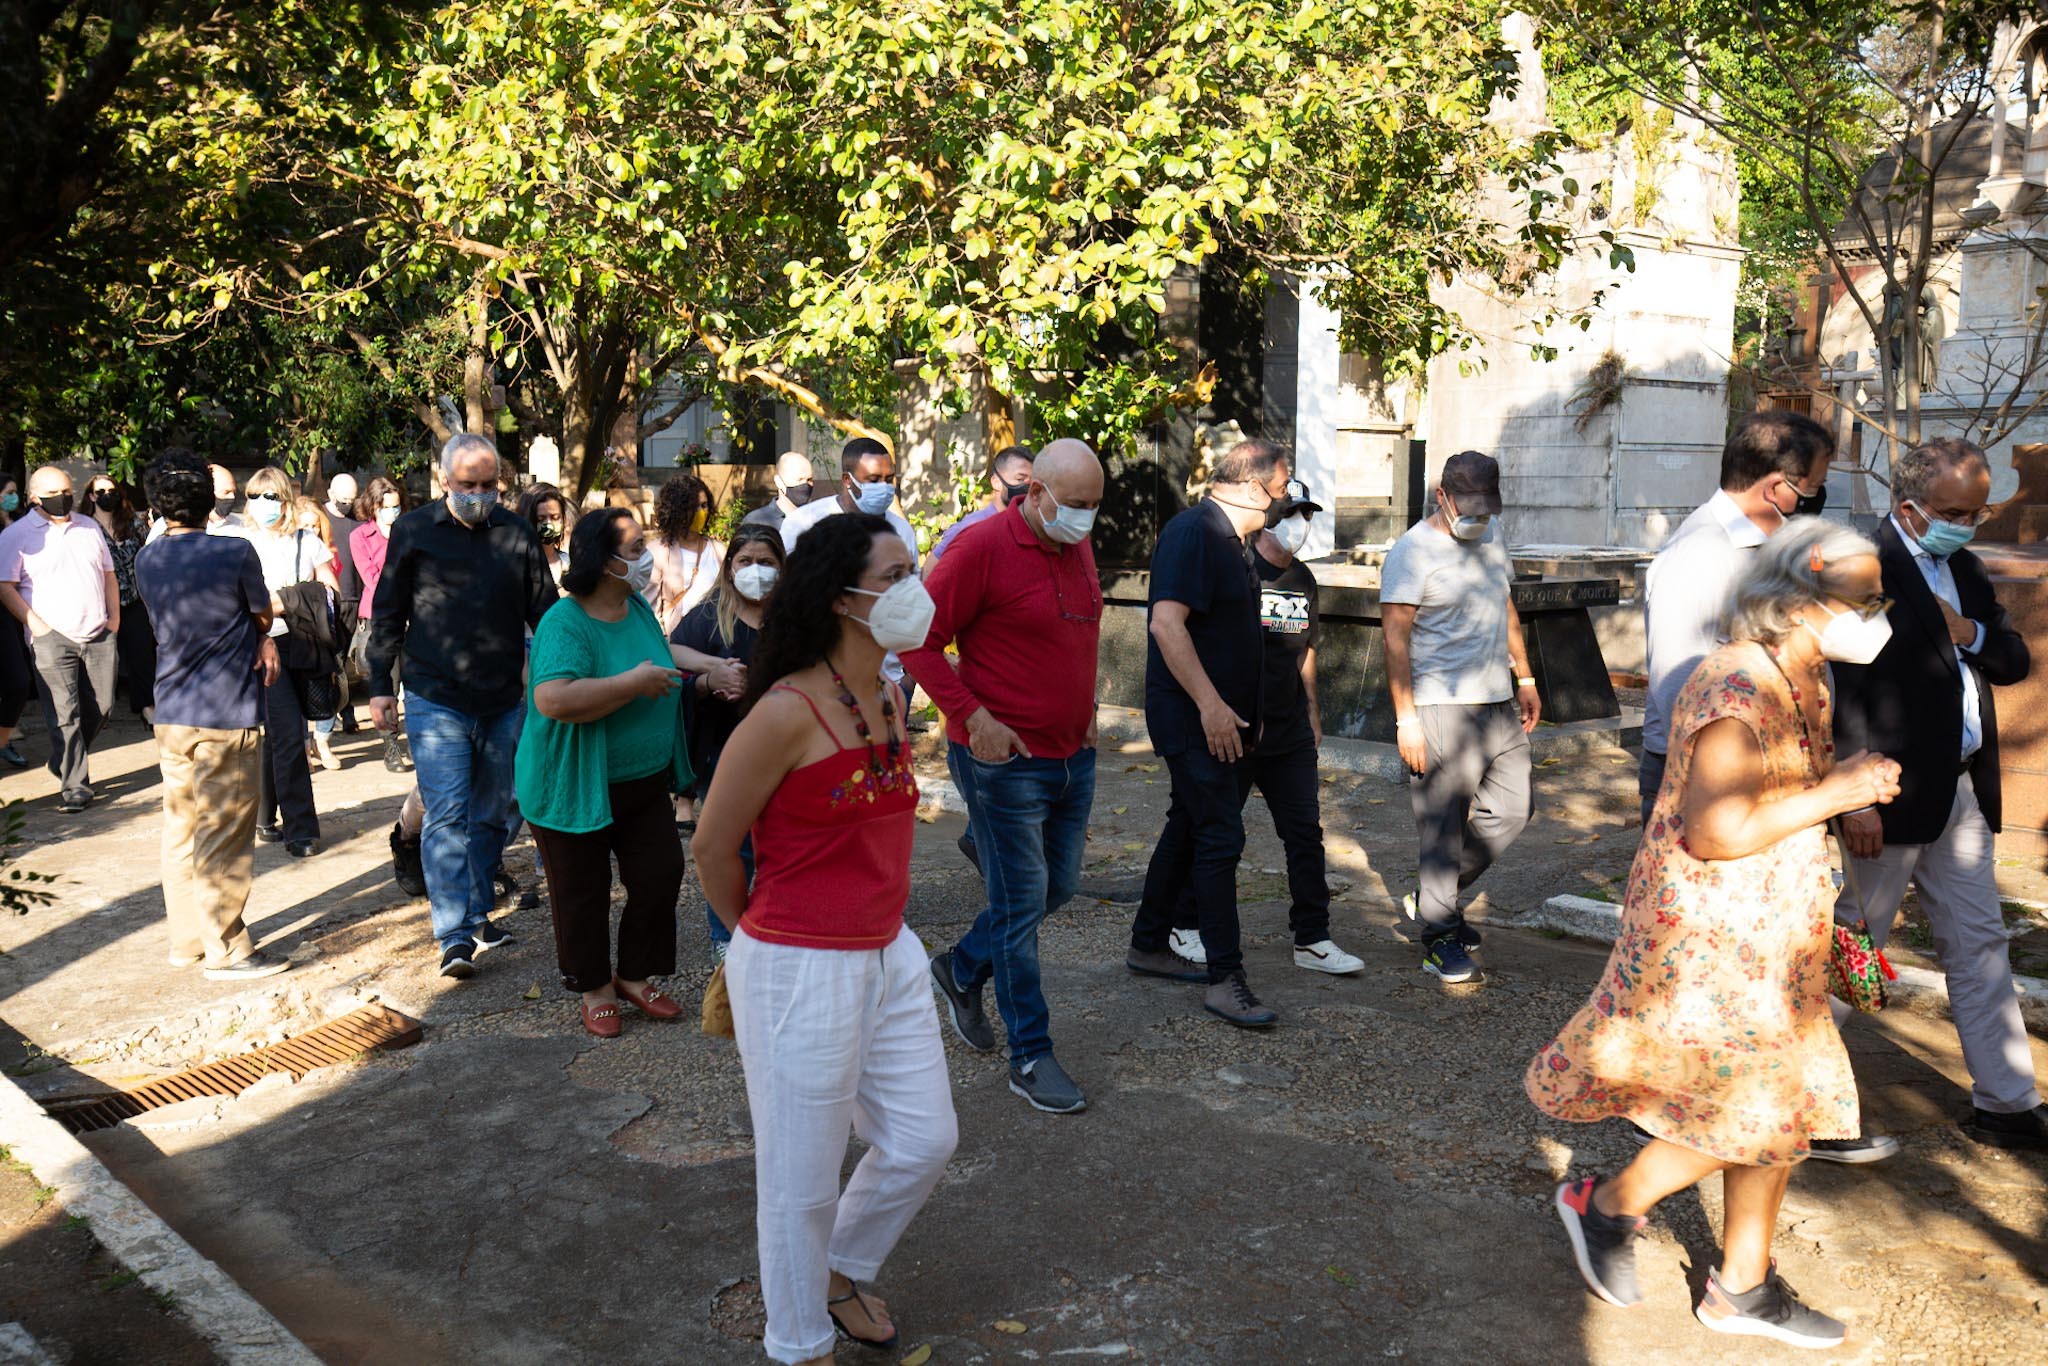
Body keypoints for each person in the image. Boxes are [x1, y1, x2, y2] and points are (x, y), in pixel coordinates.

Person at [1529, 520, 1902, 1348]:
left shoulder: (1804, 675)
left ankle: (1741, 1284)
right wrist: (1842, 793)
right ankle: (1612, 1207)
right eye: (1866, 597)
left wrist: (1836, 832)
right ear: (1802, 599)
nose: (1880, 612)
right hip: (1713, 940)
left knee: (1780, 1104)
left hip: (1771, 935)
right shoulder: (1739, 686)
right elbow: (1718, 830)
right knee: (1760, 1109)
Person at [693, 512, 955, 1366]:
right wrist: (759, 947)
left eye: (914, 570)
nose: (913, 589)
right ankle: (800, 1342)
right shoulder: (783, 711)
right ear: (841, 598)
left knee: (924, 1139)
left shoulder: (882, 693)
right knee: (800, 1185)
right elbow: (711, 847)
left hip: (890, 949)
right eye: (895, 576)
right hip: (800, 965)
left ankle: (840, 1269)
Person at [1832, 438, 2048, 1153]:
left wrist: (1973, 631)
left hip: (1960, 791)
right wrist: (1854, 798)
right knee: (1853, 948)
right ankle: (1802, 1098)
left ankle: (2007, 1104)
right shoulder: (1865, 567)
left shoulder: (1964, 565)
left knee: (1981, 944)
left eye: (1979, 508)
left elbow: (2012, 659)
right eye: (1956, 510)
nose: (1971, 521)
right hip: (1885, 795)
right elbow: (1845, 691)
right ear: (1910, 508)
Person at [903, 438, 1104, 1111]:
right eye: (1075, 504)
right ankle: (1030, 1055)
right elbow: (913, 639)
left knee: (1059, 887)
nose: (1085, 519)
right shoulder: (979, 548)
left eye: (1094, 506)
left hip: (1074, 755)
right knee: (1021, 905)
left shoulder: (1076, 546)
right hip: (1004, 762)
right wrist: (972, 716)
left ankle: (960, 968)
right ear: (1036, 492)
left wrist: (1091, 709)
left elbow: (1076, 635)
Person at [368, 433, 555, 979]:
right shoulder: (415, 531)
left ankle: (477, 914)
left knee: (493, 811)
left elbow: (545, 613)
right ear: (445, 481)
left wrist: (558, 679)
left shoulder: (516, 534)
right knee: (447, 812)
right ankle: (453, 933)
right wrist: (381, 684)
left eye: (488, 485)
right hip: (435, 695)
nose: (478, 494)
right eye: (468, 485)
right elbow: (387, 612)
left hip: (503, 697)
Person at [1166, 478, 1364, 978]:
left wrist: (1314, 709)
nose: (1302, 524)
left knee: (1304, 834)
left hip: (1288, 729)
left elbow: (1307, 648)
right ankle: (1185, 925)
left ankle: (1313, 938)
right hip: (1234, 727)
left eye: (1309, 514)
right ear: (1267, 513)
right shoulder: (1236, 568)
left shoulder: (1302, 579)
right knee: (1214, 832)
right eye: (1293, 512)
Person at [1126, 439, 1294, 1027]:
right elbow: (1166, 626)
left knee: (1190, 824)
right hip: (1194, 719)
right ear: (1253, 487)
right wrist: (1212, 706)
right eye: (1282, 485)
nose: (1286, 497)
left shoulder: (1235, 541)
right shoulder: (1194, 532)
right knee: (1220, 836)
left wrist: (1249, 707)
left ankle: (1149, 942)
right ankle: (1226, 977)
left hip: (1227, 717)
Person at [517, 509, 691, 1037]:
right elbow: (553, 698)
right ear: (603, 560)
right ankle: (594, 988)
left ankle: (634, 975)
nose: (647, 557)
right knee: (582, 893)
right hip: (572, 785)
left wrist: (706, 668)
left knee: (661, 876)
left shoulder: (636, 606)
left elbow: (658, 657)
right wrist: (633, 684)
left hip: (641, 781)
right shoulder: (564, 622)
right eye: (636, 548)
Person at [1381, 450, 1539, 986]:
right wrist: (1407, 720)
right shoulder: (1412, 552)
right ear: (1441, 497)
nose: (1478, 517)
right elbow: (1395, 640)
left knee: (1516, 807)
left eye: (1486, 507)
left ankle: (1433, 900)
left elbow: (1506, 604)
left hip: (1497, 701)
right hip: (1439, 704)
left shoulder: (1493, 536)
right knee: (1441, 830)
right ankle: (1439, 936)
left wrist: (1526, 677)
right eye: (1467, 507)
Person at [135, 449, 292, 981]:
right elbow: (261, 611)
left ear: (158, 505)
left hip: (172, 710)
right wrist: (263, 635)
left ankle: (188, 943)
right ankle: (226, 947)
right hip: (226, 711)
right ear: (210, 502)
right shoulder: (235, 551)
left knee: (181, 831)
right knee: (224, 832)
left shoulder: (146, 558)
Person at [1640, 411, 1834, 823]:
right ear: (1777, 487)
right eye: (1812, 489)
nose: (1814, 501)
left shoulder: (1771, 545)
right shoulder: (1701, 555)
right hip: (1706, 769)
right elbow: (1679, 683)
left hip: (1763, 756)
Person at [669, 524, 784, 959]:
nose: (756, 571)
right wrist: (714, 671)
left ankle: (775, 924)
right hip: (727, 748)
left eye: (767, 563)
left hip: (787, 746)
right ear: (730, 567)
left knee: (781, 842)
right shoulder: (711, 614)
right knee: (734, 847)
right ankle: (726, 935)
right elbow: (673, 651)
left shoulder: (793, 616)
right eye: (746, 562)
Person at [0, 466, 119, 812]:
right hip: (51, 637)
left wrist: (114, 619)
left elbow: (108, 574)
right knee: (64, 713)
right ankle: (76, 786)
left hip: (98, 632)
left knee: (103, 707)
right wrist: (35, 624)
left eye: (67, 491)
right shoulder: (16, 535)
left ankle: (62, 761)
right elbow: (5, 586)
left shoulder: (89, 526)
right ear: (34, 497)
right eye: (53, 493)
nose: (63, 498)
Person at [233, 469, 334, 857]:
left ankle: (265, 814)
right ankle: (301, 830)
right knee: (290, 735)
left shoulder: (307, 541)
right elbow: (236, 600)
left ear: (285, 500)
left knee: (280, 735)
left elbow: (330, 592)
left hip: (303, 645)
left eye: (270, 497)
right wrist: (274, 611)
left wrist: (280, 602)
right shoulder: (238, 540)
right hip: (260, 645)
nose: (263, 505)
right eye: (255, 496)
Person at [349, 476, 413, 775]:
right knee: (387, 681)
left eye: (396, 507)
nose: (392, 512)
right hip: (379, 617)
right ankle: (390, 745)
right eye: (387, 507)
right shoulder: (361, 536)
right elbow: (372, 578)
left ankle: (417, 739)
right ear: (373, 506)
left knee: (414, 683)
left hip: (415, 616)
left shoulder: (410, 531)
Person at [778, 437, 919, 570]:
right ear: (847, 480)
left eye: (888, 479)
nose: (883, 487)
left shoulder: (902, 530)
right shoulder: (803, 522)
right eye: (873, 479)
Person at [87, 478, 157, 724]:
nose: (108, 495)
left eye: (112, 491)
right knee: (102, 658)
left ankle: (147, 706)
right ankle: (98, 711)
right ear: (92, 496)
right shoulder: (84, 528)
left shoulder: (133, 523)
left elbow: (150, 554)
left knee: (141, 654)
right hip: (100, 603)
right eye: (101, 492)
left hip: (134, 599)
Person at [924, 444, 1033, 570]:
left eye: (1031, 481)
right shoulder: (970, 527)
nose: (1028, 486)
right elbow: (929, 573)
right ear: (996, 482)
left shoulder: (1029, 528)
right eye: (1020, 479)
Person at [647, 473, 724, 635]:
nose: (701, 512)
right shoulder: (658, 552)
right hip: (677, 640)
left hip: (716, 636)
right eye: (693, 507)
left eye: (704, 505)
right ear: (676, 509)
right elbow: (649, 611)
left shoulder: (719, 550)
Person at [322, 475, 363, 736]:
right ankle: (343, 713)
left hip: (353, 599)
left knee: (342, 658)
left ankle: (342, 710)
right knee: (333, 658)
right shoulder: (319, 519)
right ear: (330, 493)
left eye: (351, 500)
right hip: (328, 600)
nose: (347, 504)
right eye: (343, 499)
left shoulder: (355, 523)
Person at [0, 479, 31, 768]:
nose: (12, 498)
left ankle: (2, 738)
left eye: (14, 493)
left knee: (19, 682)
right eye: (7, 493)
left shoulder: (19, 525)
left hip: (10, 613)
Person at [740, 452, 817, 535]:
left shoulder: (819, 518)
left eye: (809, 479)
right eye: (799, 480)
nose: (805, 485)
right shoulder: (756, 521)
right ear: (779, 482)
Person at [516, 482, 572, 585]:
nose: (548, 524)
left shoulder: (570, 564)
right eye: (540, 519)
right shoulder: (515, 566)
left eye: (555, 517)